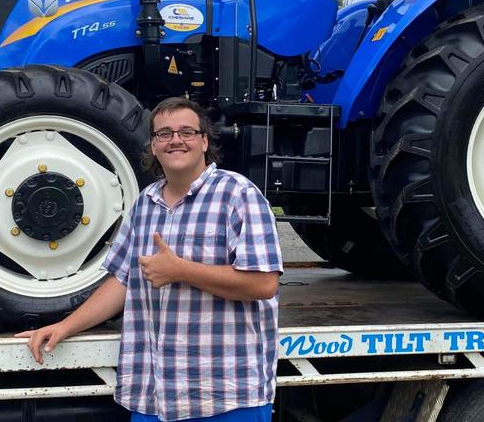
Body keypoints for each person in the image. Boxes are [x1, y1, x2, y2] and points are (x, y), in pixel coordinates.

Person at [18, 97, 284, 422]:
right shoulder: (145, 202)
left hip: (225, 396)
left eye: (186, 131)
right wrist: (65, 326)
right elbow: (121, 281)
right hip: (154, 397)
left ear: (204, 141)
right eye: (164, 134)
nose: (175, 140)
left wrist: (181, 271)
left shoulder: (239, 195)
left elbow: (264, 284)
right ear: (154, 147)